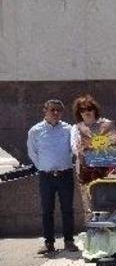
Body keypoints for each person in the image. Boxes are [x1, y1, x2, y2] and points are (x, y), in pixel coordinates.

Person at [27, 99, 77, 255]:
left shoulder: (68, 129)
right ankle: (49, 242)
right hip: (46, 176)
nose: (55, 113)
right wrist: (44, 166)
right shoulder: (35, 131)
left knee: (67, 209)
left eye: (59, 110)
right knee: (47, 210)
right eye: (52, 110)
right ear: (45, 111)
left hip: (65, 174)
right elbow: (32, 153)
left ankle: (69, 241)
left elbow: (73, 149)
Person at [71, 95, 110, 190]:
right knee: (87, 202)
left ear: (94, 110)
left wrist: (87, 146)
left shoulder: (106, 124)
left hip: (105, 171)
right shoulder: (75, 128)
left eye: (89, 109)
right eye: (82, 110)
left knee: (105, 201)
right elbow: (75, 148)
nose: (86, 112)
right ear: (79, 113)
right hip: (84, 171)